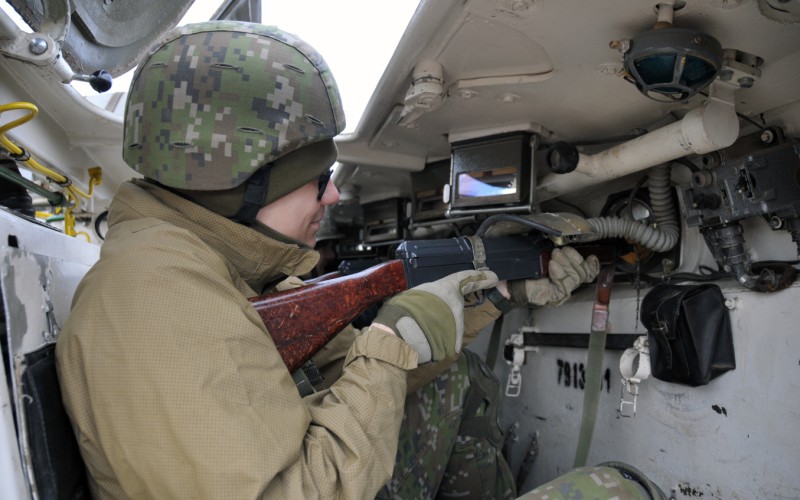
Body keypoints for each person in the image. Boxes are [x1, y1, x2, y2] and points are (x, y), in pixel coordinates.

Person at [56, 21, 599, 499]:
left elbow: (346, 369)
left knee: (452, 380)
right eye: (317, 181)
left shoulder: (205, 270)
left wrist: (503, 295)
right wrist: (390, 344)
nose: (333, 198)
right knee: (617, 485)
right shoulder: (158, 303)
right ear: (238, 186)